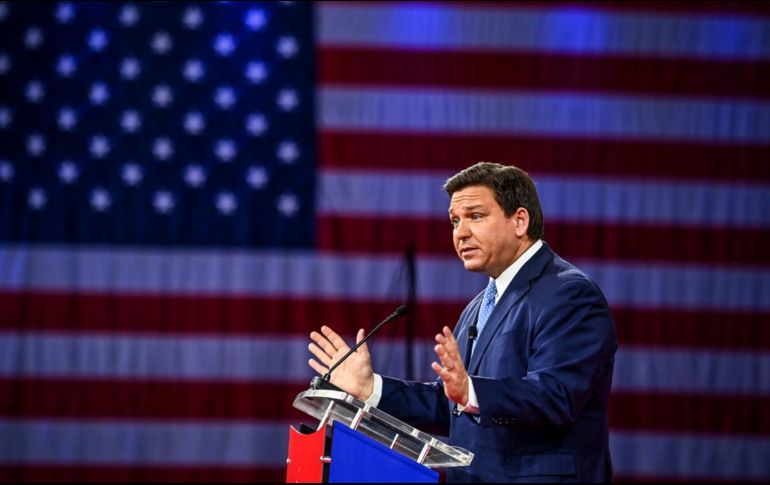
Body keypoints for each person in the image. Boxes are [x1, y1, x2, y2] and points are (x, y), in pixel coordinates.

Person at [308, 162, 618, 482]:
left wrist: (470, 390)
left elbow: (556, 396)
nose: (461, 233)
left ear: (520, 221)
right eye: (455, 221)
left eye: (476, 216)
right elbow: (454, 406)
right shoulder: (479, 306)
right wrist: (371, 388)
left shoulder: (570, 295)